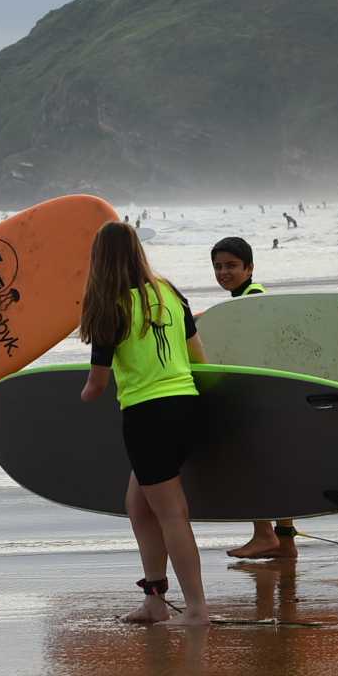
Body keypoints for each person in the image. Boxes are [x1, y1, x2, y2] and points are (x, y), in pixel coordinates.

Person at [80, 222, 211, 626]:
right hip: (187, 406)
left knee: (172, 513)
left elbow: (96, 385)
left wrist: (77, 399)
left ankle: (196, 609)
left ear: (99, 259)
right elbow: (199, 359)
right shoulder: (170, 293)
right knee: (138, 505)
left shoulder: (108, 305)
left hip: (147, 416)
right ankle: (154, 599)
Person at [210, 236, 297, 561]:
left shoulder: (252, 299)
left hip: (258, 397)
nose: (223, 272)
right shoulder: (240, 299)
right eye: (218, 266)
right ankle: (284, 543)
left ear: (249, 268)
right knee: (272, 469)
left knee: (253, 468)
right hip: (267, 395)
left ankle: (264, 534)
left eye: (231, 266)